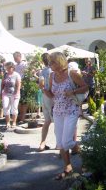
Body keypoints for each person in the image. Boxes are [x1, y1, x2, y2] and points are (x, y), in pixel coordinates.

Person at [43, 52, 88, 180]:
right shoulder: (52, 76)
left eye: (52, 62)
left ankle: (85, 155)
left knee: (66, 141)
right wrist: (45, 92)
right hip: (57, 112)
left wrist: (73, 91)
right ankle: (68, 167)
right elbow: (53, 95)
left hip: (71, 110)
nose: (50, 64)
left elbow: (85, 87)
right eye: (50, 62)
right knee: (60, 143)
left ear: (59, 62)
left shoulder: (71, 73)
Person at [38, 53, 53, 152]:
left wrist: (45, 91)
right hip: (52, 96)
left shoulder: (42, 71)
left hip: (44, 96)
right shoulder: (53, 70)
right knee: (57, 120)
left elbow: (41, 84)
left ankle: (42, 143)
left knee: (47, 121)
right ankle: (59, 145)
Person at [1, 62, 21, 129]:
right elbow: (2, 84)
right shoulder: (5, 75)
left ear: (12, 68)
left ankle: (14, 122)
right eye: (6, 68)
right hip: (6, 93)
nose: (7, 69)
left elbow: (18, 85)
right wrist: (0, 92)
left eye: (8, 68)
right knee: (5, 107)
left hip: (14, 94)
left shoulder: (16, 75)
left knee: (14, 107)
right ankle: (8, 122)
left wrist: (17, 93)